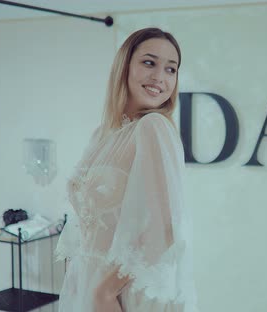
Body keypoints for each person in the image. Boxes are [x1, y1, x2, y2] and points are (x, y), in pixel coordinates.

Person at [55, 27, 196, 312]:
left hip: (122, 293)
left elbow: (165, 229)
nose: (160, 77)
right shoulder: (102, 134)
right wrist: (80, 280)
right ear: (124, 66)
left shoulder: (153, 127)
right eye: (149, 62)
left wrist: (104, 292)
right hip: (85, 283)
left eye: (171, 69)